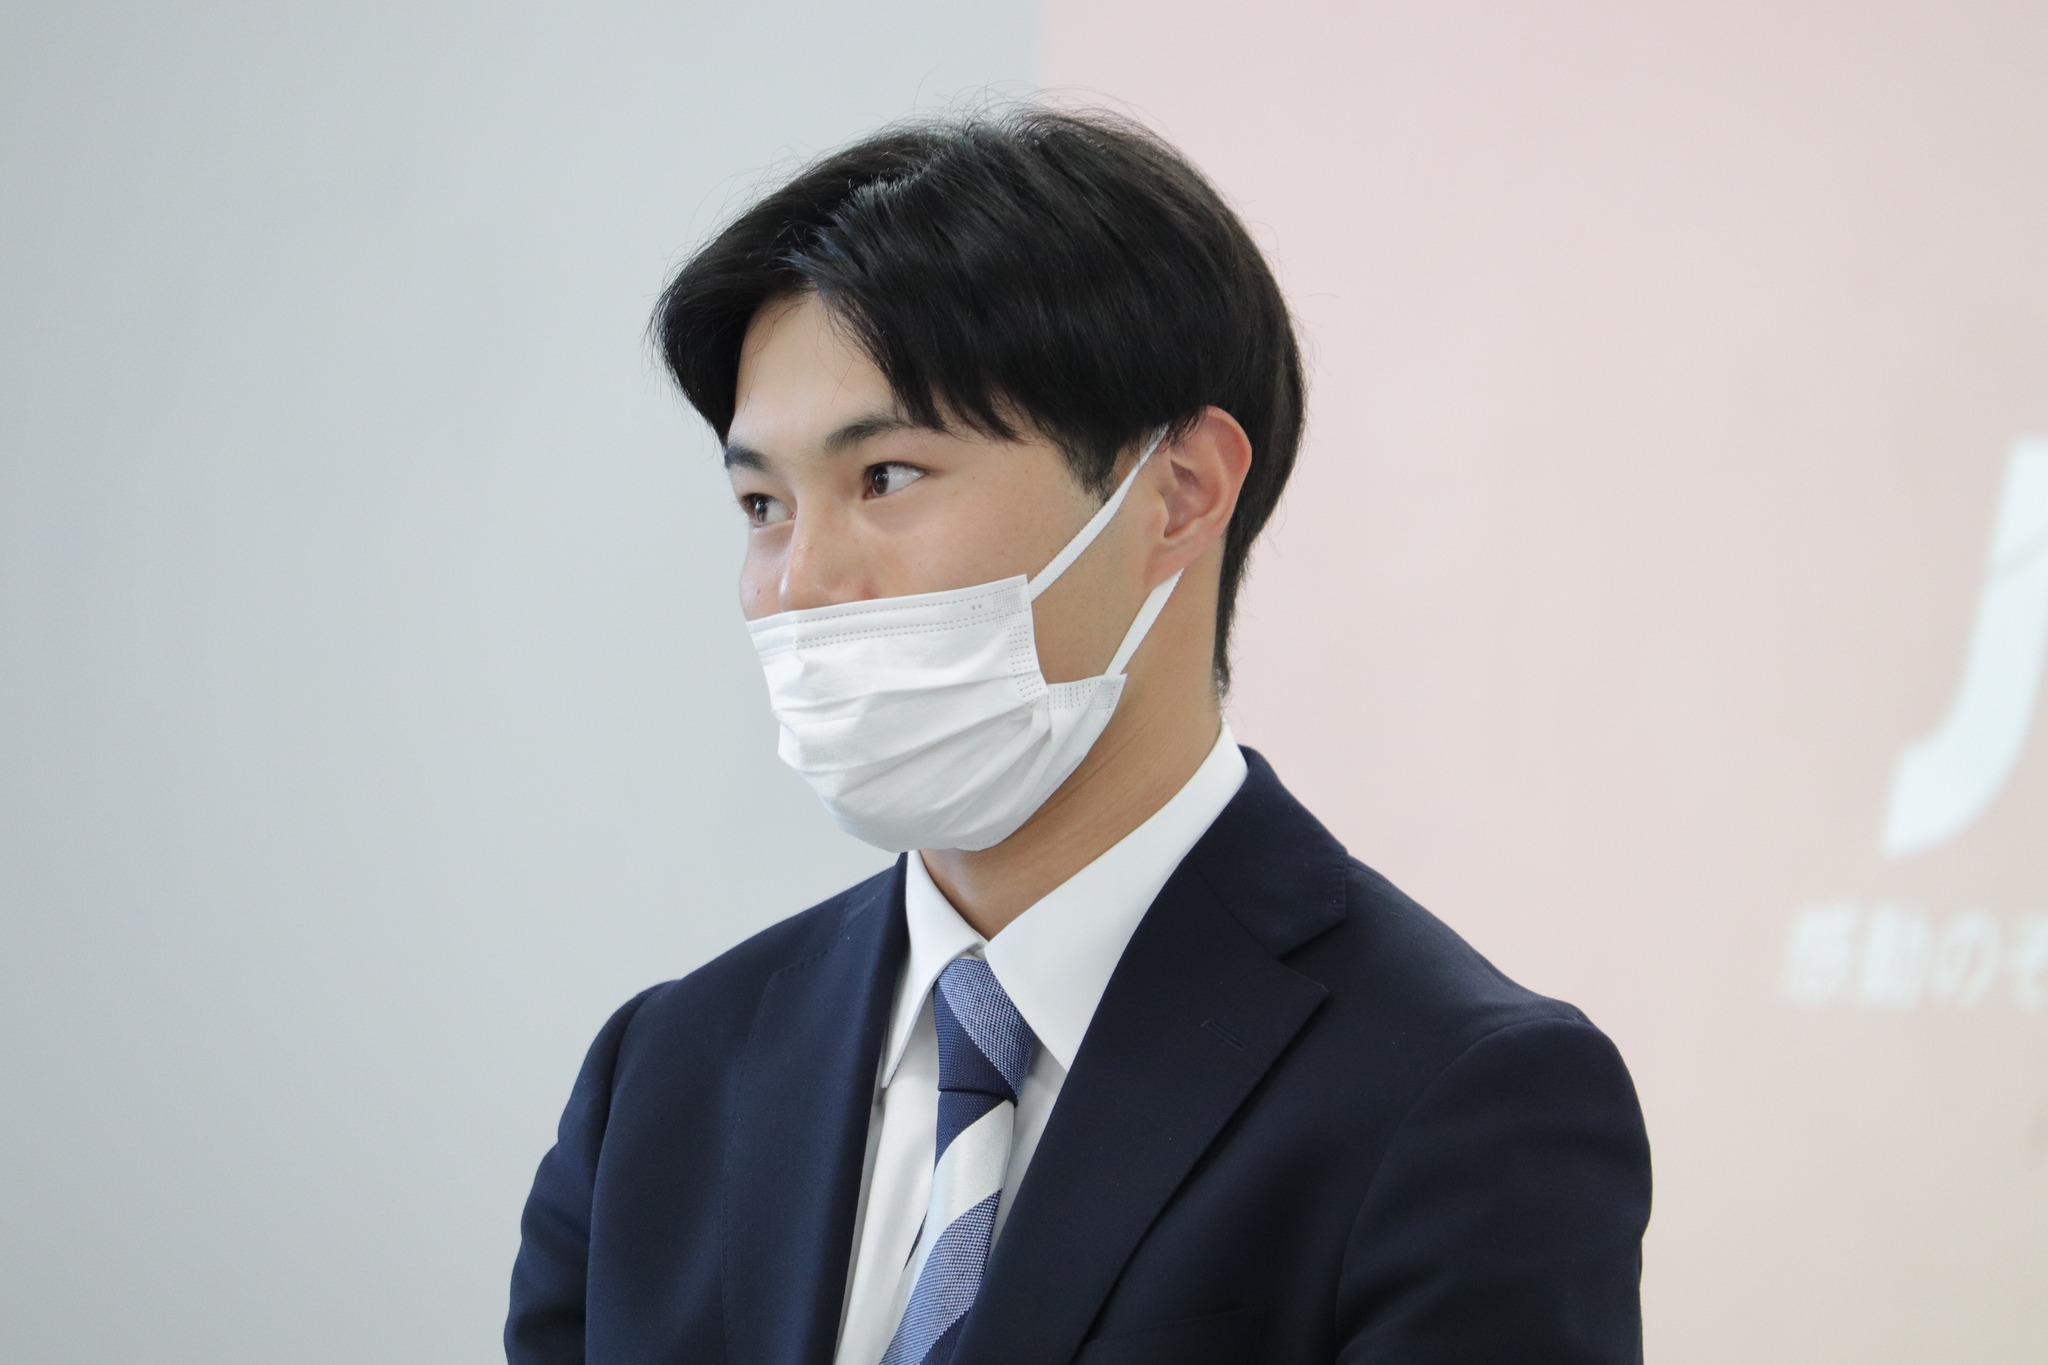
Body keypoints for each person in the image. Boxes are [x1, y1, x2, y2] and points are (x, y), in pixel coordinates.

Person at [506, 107, 1651, 1365]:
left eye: (886, 477)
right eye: (761, 503)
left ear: (1177, 494)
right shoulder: (663, 1079)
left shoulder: (1458, 1094)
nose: (798, 582)